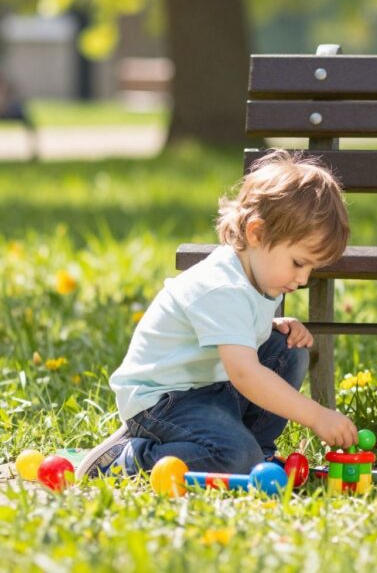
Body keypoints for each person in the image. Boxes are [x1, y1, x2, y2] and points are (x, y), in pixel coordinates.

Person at [78, 150, 359, 478]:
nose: (303, 279)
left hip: (209, 388)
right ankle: (130, 457)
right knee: (234, 458)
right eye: (298, 263)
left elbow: (228, 327)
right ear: (256, 233)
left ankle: (257, 453)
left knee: (288, 350)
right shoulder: (222, 285)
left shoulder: (258, 275)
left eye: (311, 268)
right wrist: (316, 415)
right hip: (162, 401)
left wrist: (269, 326)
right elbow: (245, 374)